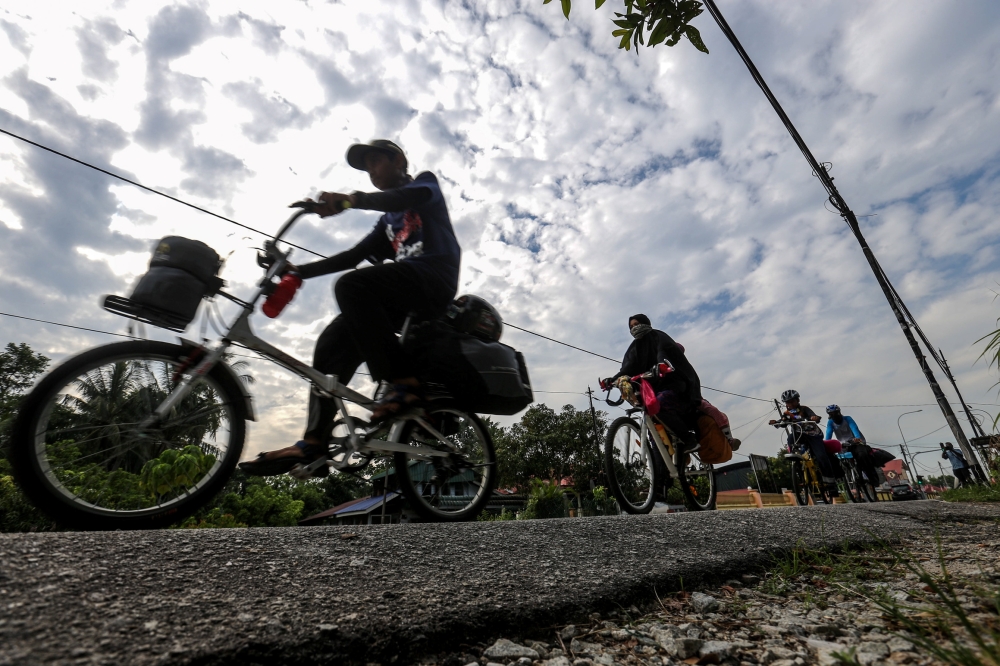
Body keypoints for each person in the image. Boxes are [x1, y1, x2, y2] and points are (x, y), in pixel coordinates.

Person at [240, 139, 461, 476]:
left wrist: (349, 200)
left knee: (353, 285)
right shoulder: (388, 221)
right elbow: (353, 257)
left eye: (376, 162)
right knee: (331, 344)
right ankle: (314, 442)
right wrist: (299, 271)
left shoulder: (422, 185)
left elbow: (403, 198)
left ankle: (404, 383)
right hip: (402, 292)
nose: (372, 171)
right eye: (367, 167)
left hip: (434, 278)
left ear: (399, 160)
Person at [605, 314, 702, 451]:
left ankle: (689, 439)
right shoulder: (634, 347)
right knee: (652, 427)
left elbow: (663, 352)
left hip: (675, 385)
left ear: (645, 323)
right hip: (652, 389)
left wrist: (661, 364)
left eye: (637, 324)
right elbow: (629, 367)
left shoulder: (659, 336)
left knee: (659, 403)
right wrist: (613, 379)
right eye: (631, 327)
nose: (634, 328)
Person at [769, 390, 839, 484]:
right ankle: (796, 461)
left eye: (793, 401)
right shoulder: (787, 413)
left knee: (821, 456)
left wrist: (814, 418)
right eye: (788, 402)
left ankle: (831, 483)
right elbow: (783, 421)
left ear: (797, 400)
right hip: (799, 435)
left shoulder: (804, 409)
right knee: (790, 438)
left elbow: (813, 416)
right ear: (786, 404)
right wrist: (776, 422)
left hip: (813, 435)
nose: (791, 404)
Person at [825, 404, 878, 492]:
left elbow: (854, 428)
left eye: (836, 413)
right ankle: (849, 476)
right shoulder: (830, 422)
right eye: (832, 414)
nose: (834, 416)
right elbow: (828, 433)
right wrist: (827, 443)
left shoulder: (847, 419)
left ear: (839, 412)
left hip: (855, 442)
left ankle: (866, 475)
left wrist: (857, 438)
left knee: (861, 456)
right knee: (837, 459)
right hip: (843, 444)